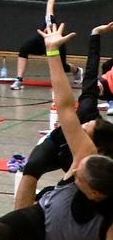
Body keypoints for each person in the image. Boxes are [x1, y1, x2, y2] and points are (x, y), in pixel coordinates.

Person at [0, 22, 113, 240]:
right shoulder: (84, 153)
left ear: (96, 191)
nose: (74, 166)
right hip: (50, 228)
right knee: (3, 228)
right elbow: (64, 104)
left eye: (81, 172)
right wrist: (53, 52)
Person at [13, 20, 113, 211]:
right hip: (55, 143)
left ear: (96, 145)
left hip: (76, 160)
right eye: (83, 126)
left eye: (85, 131)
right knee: (31, 168)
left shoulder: (94, 156)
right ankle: (20, 225)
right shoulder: (87, 109)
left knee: (66, 192)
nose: (80, 128)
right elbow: (91, 71)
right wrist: (95, 34)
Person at [10, 0, 84, 90]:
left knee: (62, 67)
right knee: (24, 49)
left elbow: (51, 4)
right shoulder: (48, 18)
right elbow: (50, 3)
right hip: (40, 42)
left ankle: (77, 70)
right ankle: (19, 80)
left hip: (55, 45)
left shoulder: (54, 27)